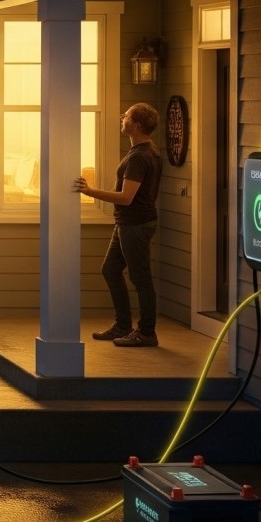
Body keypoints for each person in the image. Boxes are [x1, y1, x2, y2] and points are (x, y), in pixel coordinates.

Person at [72, 102, 164, 347]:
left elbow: (126, 197)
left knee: (141, 278)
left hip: (135, 224)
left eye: (127, 117)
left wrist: (90, 191)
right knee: (111, 270)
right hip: (128, 223)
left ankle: (146, 333)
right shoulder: (149, 151)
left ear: (137, 125)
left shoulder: (140, 157)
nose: (122, 119)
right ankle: (122, 325)